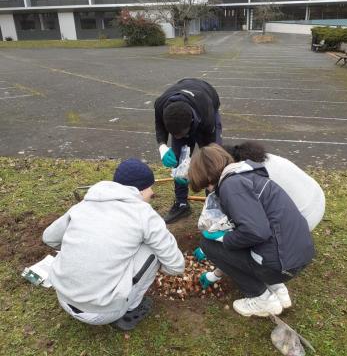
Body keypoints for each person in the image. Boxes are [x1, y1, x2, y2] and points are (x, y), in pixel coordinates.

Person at [42, 159, 185, 331]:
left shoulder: (85, 204)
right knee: (153, 252)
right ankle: (131, 307)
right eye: (150, 187)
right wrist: (156, 268)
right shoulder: (144, 214)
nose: (152, 192)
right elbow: (176, 266)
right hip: (102, 312)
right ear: (139, 190)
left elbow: (49, 238)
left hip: (63, 297)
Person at [188, 144, 315, 318]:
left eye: (207, 185)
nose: (209, 190)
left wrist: (224, 239)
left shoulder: (230, 186)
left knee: (207, 244)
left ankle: (262, 299)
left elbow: (256, 232)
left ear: (209, 175)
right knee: (239, 241)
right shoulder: (247, 175)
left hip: (280, 264)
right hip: (296, 257)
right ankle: (278, 289)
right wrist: (216, 274)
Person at [154, 78, 222, 224]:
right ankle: (181, 204)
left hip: (207, 101)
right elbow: (159, 127)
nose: (181, 138)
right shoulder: (161, 104)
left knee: (212, 162)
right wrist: (163, 147)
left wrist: (199, 166)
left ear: (191, 121)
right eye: (175, 135)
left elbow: (209, 150)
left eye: (182, 134)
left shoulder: (205, 110)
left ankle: (212, 203)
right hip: (183, 113)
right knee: (178, 160)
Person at [223, 141, 325, 231]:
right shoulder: (261, 156)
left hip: (303, 218)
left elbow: (250, 217)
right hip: (317, 199)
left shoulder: (248, 175)